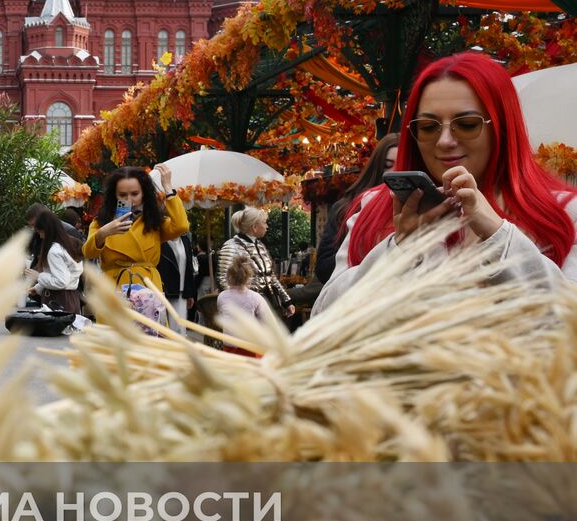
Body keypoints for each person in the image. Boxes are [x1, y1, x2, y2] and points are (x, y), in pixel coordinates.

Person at [317, 51, 577, 312]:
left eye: (466, 124)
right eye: (428, 127)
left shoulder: (565, 212)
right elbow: (324, 317)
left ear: (502, 127)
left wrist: (499, 236)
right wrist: (398, 253)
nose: (444, 141)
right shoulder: (376, 208)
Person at [83, 164, 189, 326]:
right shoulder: (101, 223)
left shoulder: (153, 222)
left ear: (144, 194)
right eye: (122, 195)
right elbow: (88, 253)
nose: (129, 199)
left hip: (146, 289)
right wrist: (104, 233)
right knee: (115, 344)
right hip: (114, 288)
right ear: (114, 196)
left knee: (148, 341)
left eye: (135, 194)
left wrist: (168, 188)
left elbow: (181, 226)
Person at [314, 133, 400, 283]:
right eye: (388, 165)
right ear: (377, 167)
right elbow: (324, 268)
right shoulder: (348, 207)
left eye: (402, 165)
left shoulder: (419, 206)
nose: (395, 172)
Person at [216, 206, 295, 321]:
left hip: (267, 302)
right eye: (264, 223)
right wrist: (241, 304)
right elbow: (223, 279)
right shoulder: (231, 246)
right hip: (246, 309)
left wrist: (287, 301)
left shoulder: (260, 246)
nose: (267, 226)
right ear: (254, 227)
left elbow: (270, 276)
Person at [24, 204, 84, 314]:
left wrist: (38, 276)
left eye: (40, 232)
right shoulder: (70, 243)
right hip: (71, 298)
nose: (40, 236)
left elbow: (60, 281)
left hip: (58, 300)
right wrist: (39, 288)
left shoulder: (54, 250)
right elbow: (61, 274)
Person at [216, 255, 270, 356]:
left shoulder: (222, 296)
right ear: (248, 278)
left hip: (229, 347)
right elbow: (268, 321)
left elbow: (221, 313)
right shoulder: (256, 297)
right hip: (250, 347)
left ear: (228, 277)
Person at [156, 225, 198, 332]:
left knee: (179, 329)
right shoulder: (160, 240)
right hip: (164, 291)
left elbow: (189, 268)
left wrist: (190, 294)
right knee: (163, 329)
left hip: (182, 293)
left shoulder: (185, 241)